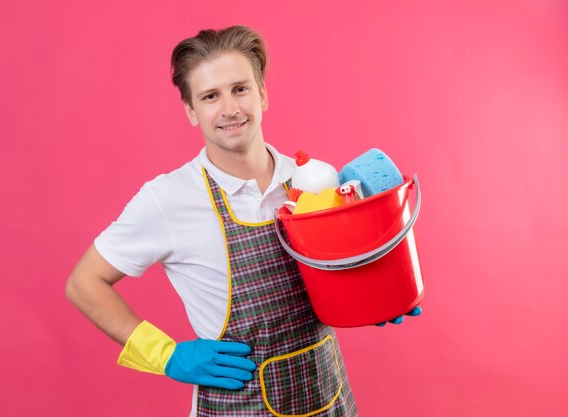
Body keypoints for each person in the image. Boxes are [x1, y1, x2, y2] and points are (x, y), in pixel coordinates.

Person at [66, 25, 418, 416]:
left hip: (329, 398)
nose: (230, 108)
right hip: (238, 405)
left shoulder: (311, 181)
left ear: (262, 94)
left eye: (240, 89)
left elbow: (335, 278)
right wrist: (164, 355)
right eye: (210, 96)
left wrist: (379, 296)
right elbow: (84, 283)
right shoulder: (168, 199)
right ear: (191, 111)